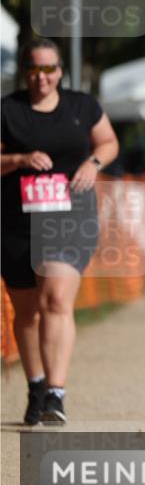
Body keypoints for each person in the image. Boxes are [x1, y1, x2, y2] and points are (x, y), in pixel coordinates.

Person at [0, 37, 119, 425]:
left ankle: (56, 392)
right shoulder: (9, 110)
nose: (42, 77)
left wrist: (93, 163)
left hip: (70, 217)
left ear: (60, 71)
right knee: (27, 312)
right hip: (17, 221)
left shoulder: (82, 106)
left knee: (55, 299)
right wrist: (17, 159)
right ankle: (35, 384)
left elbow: (108, 141)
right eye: (34, 69)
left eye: (49, 69)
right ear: (25, 72)